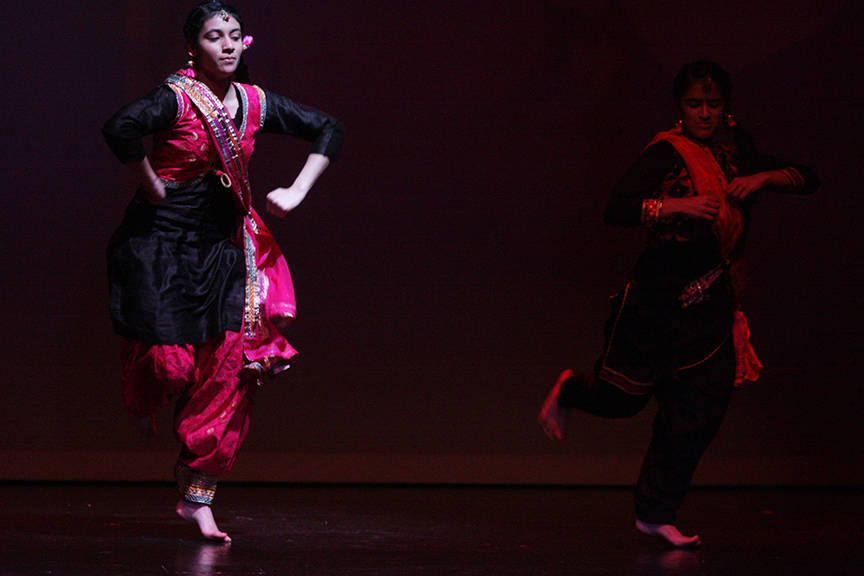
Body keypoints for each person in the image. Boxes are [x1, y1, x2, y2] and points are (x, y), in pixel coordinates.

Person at [538, 61, 818, 547]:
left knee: (698, 413)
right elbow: (616, 209)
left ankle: (654, 512)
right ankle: (570, 390)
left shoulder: (737, 149)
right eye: (694, 104)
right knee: (621, 401)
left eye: (713, 104)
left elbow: (808, 177)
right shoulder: (666, 152)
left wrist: (765, 178)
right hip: (656, 303)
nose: (704, 113)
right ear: (679, 107)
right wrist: (675, 206)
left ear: (725, 106)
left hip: (712, 305)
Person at [102, 1, 344, 542]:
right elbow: (119, 127)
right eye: (215, 36)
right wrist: (147, 180)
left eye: (235, 35)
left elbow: (329, 127)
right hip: (161, 248)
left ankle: (197, 498)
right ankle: (143, 396)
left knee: (228, 372)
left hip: (225, 252)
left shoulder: (255, 103)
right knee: (168, 366)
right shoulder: (176, 98)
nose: (229, 45)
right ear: (194, 47)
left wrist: (297, 191)